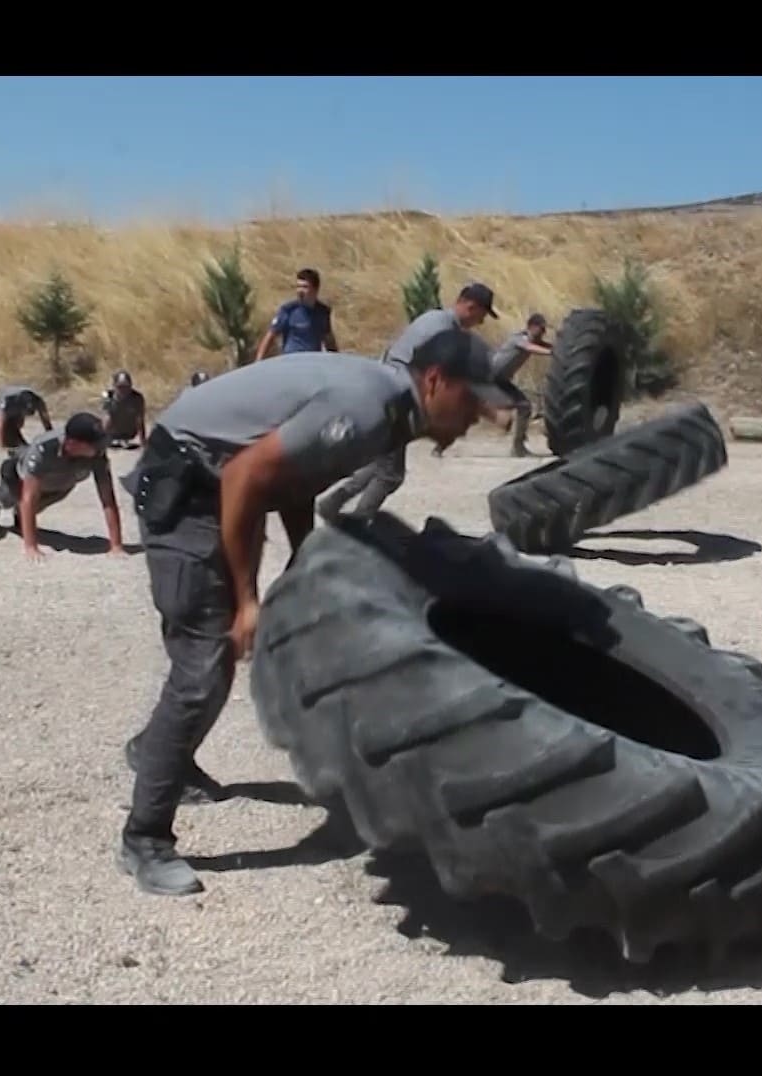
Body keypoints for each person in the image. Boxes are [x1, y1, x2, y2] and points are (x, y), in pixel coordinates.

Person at [116, 326, 510, 896]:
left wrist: (303, 559)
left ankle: (156, 752)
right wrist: (247, 598)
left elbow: (291, 479)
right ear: (435, 381)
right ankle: (143, 839)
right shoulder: (371, 409)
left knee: (214, 659)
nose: (476, 416)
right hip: (190, 485)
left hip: (217, 480)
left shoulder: (387, 409)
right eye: (471, 400)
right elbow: (245, 476)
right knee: (205, 665)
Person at [315, 281, 500, 520]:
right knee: (390, 474)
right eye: (482, 315)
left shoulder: (434, 318)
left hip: (387, 388)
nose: (481, 323)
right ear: (471, 307)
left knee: (382, 462)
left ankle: (333, 503)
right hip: (396, 395)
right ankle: (357, 525)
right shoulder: (444, 330)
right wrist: (487, 410)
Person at [0, 411, 127, 561]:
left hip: (59, 481)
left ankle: (20, 518)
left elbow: (108, 499)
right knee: (8, 499)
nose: (100, 447)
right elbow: (29, 497)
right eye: (94, 444)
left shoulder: (97, 453)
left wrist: (116, 546)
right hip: (18, 476)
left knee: (38, 503)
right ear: (72, 444)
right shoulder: (44, 448)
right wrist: (31, 547)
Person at [487, 312, 554, 457]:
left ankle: (518, 448)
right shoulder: (519, 337)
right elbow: (529, 347)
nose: (543, 332)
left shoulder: (533, 340)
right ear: (531, 327)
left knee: (524, 406)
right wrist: (551, 352)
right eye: (541, 329)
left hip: (501, 381)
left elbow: (543, 345)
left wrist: (558, 348)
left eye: (544, 330)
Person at [254, 267, 337, 361]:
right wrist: (258, 361)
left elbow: (328, 339)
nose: (300, 291)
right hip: (291, 362)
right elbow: (270, 336)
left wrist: (335, 361)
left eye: (305, 287)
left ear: (315, 289)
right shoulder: (288, 310)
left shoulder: (323, 312)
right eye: (298, 286)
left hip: (312, 362)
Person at [0, 384, 53, 449]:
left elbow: (47, 423)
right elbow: (0, 426)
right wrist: (1, 447)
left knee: (22, 447)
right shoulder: (8, 401)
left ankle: (17, 441)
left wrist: (52, 440)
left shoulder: (38, 400)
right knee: (8, 443)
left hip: (15, 412)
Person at [101, 370, 146, 449]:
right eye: (120, 387)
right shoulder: (108, 396)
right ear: (114, 386)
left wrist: (143, 441)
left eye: (126, 386)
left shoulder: (137, 398)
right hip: (112, 433)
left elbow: (139, 420)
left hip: (129, 433)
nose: (123, 390)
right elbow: (107, 418)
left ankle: (124, 440)